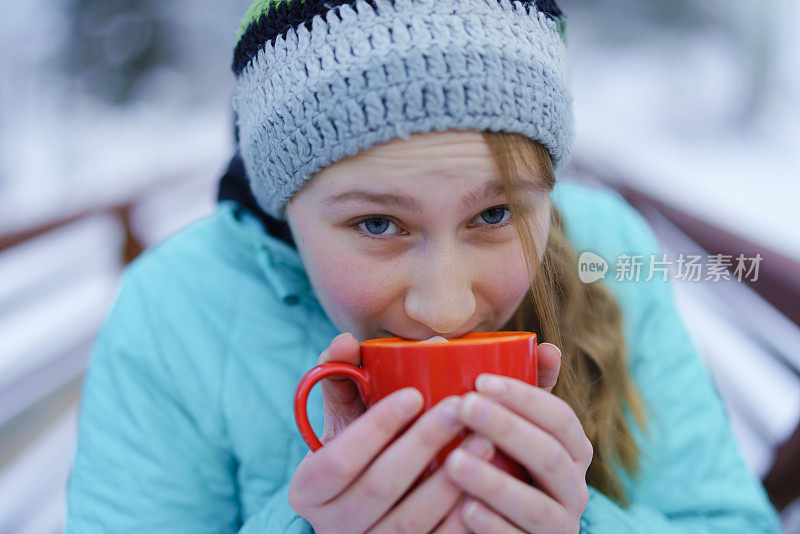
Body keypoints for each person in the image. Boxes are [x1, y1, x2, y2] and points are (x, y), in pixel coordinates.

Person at [64, 0, 782, 532]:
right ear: (287, 206)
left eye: (495, 215)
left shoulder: (609, 255)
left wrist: (579, 524)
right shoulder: (173, 308)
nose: (445, 309)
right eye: (377, 223)